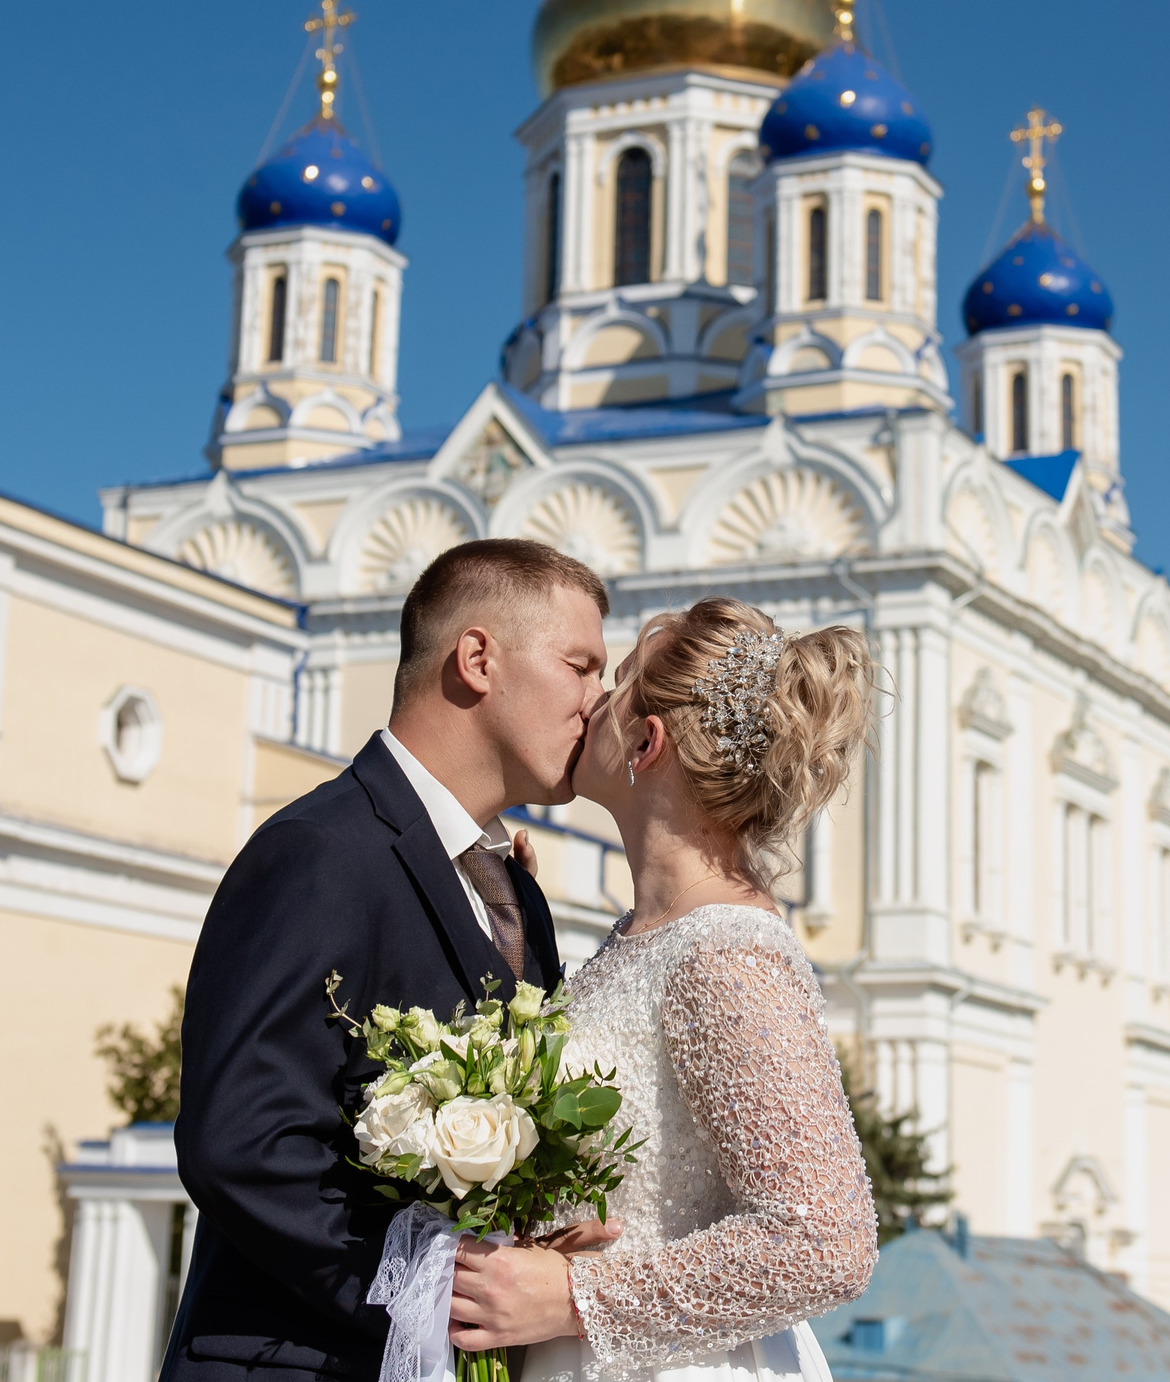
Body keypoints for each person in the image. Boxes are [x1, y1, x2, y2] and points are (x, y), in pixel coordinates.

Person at [161, 539, 612, 1382]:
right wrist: (435, 1289)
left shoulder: (521, 895)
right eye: (581, 665)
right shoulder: (318, 852)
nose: (600, 700)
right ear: (477, 658)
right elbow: (241, 1144)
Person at [449, 597, 882, 1382]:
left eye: (611, 684)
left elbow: (827, 1241)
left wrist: (578, 1297)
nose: (588, 704)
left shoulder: (725, 952)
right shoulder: (639, 934)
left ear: (646, 743)